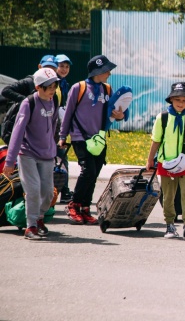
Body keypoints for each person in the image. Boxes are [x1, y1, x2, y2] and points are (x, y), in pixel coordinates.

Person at [58, 55, 124, 225]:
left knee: (94, 173)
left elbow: (116, 111)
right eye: (107, 70)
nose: (109, 73)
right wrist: (62, 136)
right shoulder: (78, 88)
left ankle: (85, 207)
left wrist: (120, 115)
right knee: (88, 171)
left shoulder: (107, 89)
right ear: (97, 71)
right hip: (80, 137)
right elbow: (68, 113)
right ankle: (74, 205)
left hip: (98, 139)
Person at [2, 68, 60, 239]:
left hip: (47, 154)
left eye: (54, 86)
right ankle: (31, 226)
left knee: (48, 192)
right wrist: (9, 161)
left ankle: (39, 218)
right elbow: (17, 132)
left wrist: (53, 147)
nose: (52, 90)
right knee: (33, 190)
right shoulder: (28, 103)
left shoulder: (54, 100)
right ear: (38, 87)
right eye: (49, 87)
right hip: (27, 153)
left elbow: (54, 124)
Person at [145, 82, 185, 240]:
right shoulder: (163, 117)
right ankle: (170, 224)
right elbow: (156, 140)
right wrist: (150, 160)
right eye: (177, 99)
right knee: (168, 195)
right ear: (171, 99)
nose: (181, 103)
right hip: (166, 162)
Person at [54, 54, 73, 203]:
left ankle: (64, 190)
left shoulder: (64, 84)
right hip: (51, 127)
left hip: (59, 125)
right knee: (60, 157)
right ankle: (63, 190)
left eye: (67, 67)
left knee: (62, 157)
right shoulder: (53, 83)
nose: (64, 69)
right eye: (61, 66)